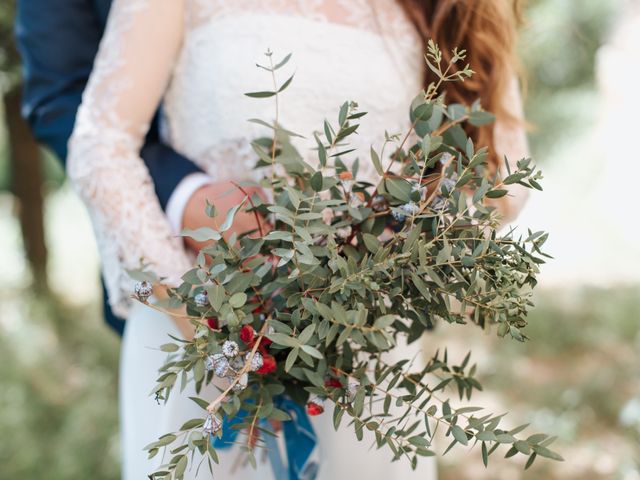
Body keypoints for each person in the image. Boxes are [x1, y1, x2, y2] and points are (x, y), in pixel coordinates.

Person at [30, 0, 531, 478]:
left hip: (362, 352)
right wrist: (203, 320)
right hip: (206, 342)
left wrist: (391, 262)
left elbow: (498, 179)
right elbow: (102, 144)